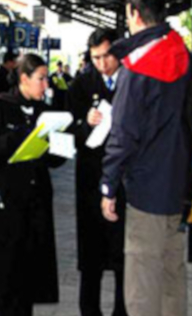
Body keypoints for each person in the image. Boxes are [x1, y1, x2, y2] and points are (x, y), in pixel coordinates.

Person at [100, 0, 191, 316]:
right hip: (177, 185)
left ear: (135, 15)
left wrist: (108, 184)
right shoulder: (183, 56)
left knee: (141, 282)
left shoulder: (136, 69)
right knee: (172, 276)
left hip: (146, 191)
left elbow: (123, 135)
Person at [0, 53, 66, 316]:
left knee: (29, 279)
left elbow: (53, 161)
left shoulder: (46, 112)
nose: (46, 85)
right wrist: (17, 137)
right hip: (7, 204)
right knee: (6, 282)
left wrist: (59, 147)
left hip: (36, 204)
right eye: (41, 79)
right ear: (24, 79)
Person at [67, 28, 127, 316]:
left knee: (123, 254)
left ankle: (121, 310)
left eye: (106, 56)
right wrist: (85, 123)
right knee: (91, 252)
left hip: (125, 180)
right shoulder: (81, 83)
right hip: (91, 178)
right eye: (95, 58)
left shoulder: (132, 81)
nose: (102, 64)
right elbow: (68, 131)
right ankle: (89, 310)